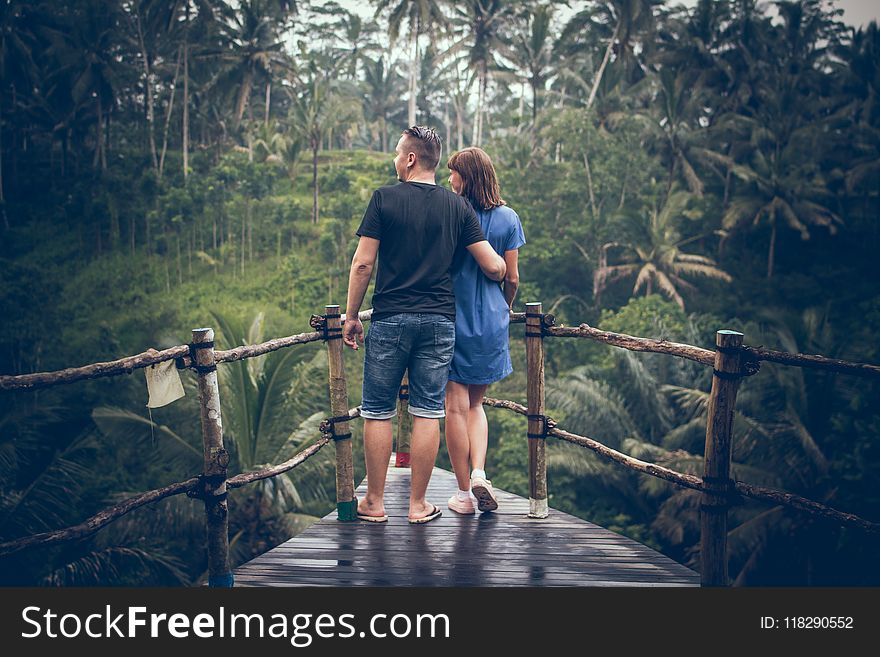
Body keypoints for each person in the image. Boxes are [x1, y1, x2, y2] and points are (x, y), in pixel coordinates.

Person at [342, 127, 507, 524]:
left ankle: (375, 503)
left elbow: (363, 263)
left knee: (379, 411)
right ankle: (418, 506)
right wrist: (504, 271)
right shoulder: (457, 207)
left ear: (411, 159)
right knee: (428, 410)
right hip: (439, 321)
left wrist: (351, 316)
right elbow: (492, 265)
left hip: (390, 318)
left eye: (399, 153)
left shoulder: (384, 198)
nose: (395, 160)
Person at [444, 147, 525, 515]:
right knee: (477, 405)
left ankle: (463, 494)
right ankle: (480, 473)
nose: (449, 179)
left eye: (454, 173)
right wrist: (505, 306)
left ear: (468, 177)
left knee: (454, 408)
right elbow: (512, 278)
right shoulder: (509, 218)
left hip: (453, 317)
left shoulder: (452, 213)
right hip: (493, 319)